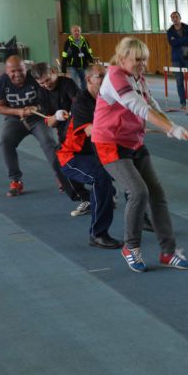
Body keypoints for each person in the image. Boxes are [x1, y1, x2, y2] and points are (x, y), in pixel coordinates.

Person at [92, 37, 188, 272]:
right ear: (122, 58)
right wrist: (171, 130)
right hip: (110, 143)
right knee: (138, 192)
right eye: (138, 60)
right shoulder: (115, 77)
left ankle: (168, 252)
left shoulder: (137, 77)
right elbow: (139, 107)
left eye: (145, 60)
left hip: (133, 142)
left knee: (157, 194)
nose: (142, 64)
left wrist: (172, 126)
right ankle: (131, 247)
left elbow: (152, 104)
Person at [55, 64, 123, 249]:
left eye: (106, 75)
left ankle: (144, 218)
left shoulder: (108, 98)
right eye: (100, 76)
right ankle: (98, 234)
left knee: (130, 166)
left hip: (94, 153)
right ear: (88, 80)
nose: (105, 79)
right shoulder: (81, 101)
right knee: (101, 179)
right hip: (72, 156)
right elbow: (91, 131)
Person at [0, 56, 68, 198]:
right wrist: (18, 111)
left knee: (48, 142)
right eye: (13, 71)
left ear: (25, 69)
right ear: (6, 71)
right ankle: (16, 181)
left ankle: (62, 177)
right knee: (6, 142)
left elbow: (51, 97)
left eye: (20, 70)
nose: (17, 74)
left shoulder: (35, 78)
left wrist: (37, 108)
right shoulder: (1, 83)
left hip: (38, 118)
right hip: (15, 119)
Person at [29, 62, 93, 216]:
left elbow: (80, 104)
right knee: (61, 165)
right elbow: (49, 122)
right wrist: (56, 116)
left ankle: (95, 195)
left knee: (66, 162)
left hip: (79, 132)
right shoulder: (42, 92)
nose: (46, 85)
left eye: (47, 80)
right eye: (41, 83)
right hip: (64, 135)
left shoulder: (67, 84)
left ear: (53, 72)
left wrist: (68, 114)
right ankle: (90, 196)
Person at [61, 25, 94, 89]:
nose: (77, 32)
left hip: (84, 66)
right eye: (75, 31)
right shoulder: (68, 42)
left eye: (78, 30)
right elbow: (64, 56)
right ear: (72, 32)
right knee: (75, 83)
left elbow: (89, 52)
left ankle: (84, 93)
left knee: (85, 83)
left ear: (80, 31)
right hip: (73, 66)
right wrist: (63, 69)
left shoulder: (85, 41)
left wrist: (91, 61)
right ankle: (77, 94)